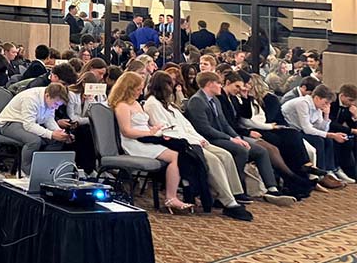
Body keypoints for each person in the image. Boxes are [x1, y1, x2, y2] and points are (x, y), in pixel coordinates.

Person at [144, 71, 251, 220]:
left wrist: (199, 138)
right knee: (213, 160)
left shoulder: (170, 104)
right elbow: (166, 129)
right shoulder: (152, 104)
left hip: (192, 139)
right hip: (180, 143)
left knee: (225, 155)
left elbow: (186, 125)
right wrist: (192, 140)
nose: (174, 87)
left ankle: (233, 193)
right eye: (170, 84)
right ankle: (229, 202)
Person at [186, 71, 295, 204]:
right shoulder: (197, 101)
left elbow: (225, 124)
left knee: (260, 151)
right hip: (209, 139)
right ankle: (236, 190)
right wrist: (231, 139)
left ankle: (272, 188)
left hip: (221, 136)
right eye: (219, 83)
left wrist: (236, 136)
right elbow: (205, 129)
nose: (221, 86)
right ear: (209, 84)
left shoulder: (214, 100)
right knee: (240, 150)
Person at [109, 72, 195, 214]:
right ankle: (171, 197)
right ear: (128, 88)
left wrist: (153, 129)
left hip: (146, 138)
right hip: (134, 142)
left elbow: (142, 125)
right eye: (137, 89)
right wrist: (149, 133)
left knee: (181, 149)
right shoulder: (122, 106)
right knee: (176, 156)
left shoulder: (135, 103)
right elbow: (126, 131)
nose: (140, 92)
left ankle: (176, 193)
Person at [283, 84, 355, 185]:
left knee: (328, 140)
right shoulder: (303, 103)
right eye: (326, 102)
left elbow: (321, 128)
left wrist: (326, 115)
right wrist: (332, 135)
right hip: (290, 131)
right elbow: (307, 129)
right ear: (317, 98)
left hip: (300, 130)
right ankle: (321, 174)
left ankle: (330, 170)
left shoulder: (317, 106)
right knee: (319, 141)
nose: (326, 105)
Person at [0, 83, 73, 175]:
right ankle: (24, 171)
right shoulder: (31, 99)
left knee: (57, 140)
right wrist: (51, 134)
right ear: (47, 95)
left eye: (58, 105)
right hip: (10, 123)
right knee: (34, 141)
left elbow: (49, 119)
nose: (56, 107)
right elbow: (29, 125)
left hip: (28, 122)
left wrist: (59, 132)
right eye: (56, 104)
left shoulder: (51, 97)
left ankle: (42, 168)